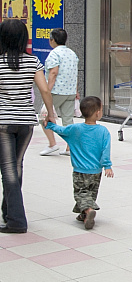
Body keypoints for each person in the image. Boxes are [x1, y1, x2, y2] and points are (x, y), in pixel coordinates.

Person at [0, 19, 56, 233]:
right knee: (16, 165)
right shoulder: (33, 62)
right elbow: (44, 90)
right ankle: (8, 211)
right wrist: (50, 114)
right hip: (26, 122)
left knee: (8, 169)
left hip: (3, 122)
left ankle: (16, 220)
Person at [41, 96, 113, 230]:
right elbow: (106, 150)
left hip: (80, 170)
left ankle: (88, 210)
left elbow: (61, 130)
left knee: (81, 193)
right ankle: (84, 215)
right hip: (96, 171)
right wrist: (107, 166)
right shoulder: (103, 131)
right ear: (98, 113)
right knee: (90, 193)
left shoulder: (75, 129)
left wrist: (49, 124)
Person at [38, 28, 79, 156]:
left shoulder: (54, 54)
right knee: (68, 120)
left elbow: (53, 73)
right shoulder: (72, 53)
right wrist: (76, 90)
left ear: (53, 40)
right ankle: (69, 148)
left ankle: (52, 144)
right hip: (70, 91)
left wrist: (47, 90)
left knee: (44, 116)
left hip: (57, 91)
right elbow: (75, 73)